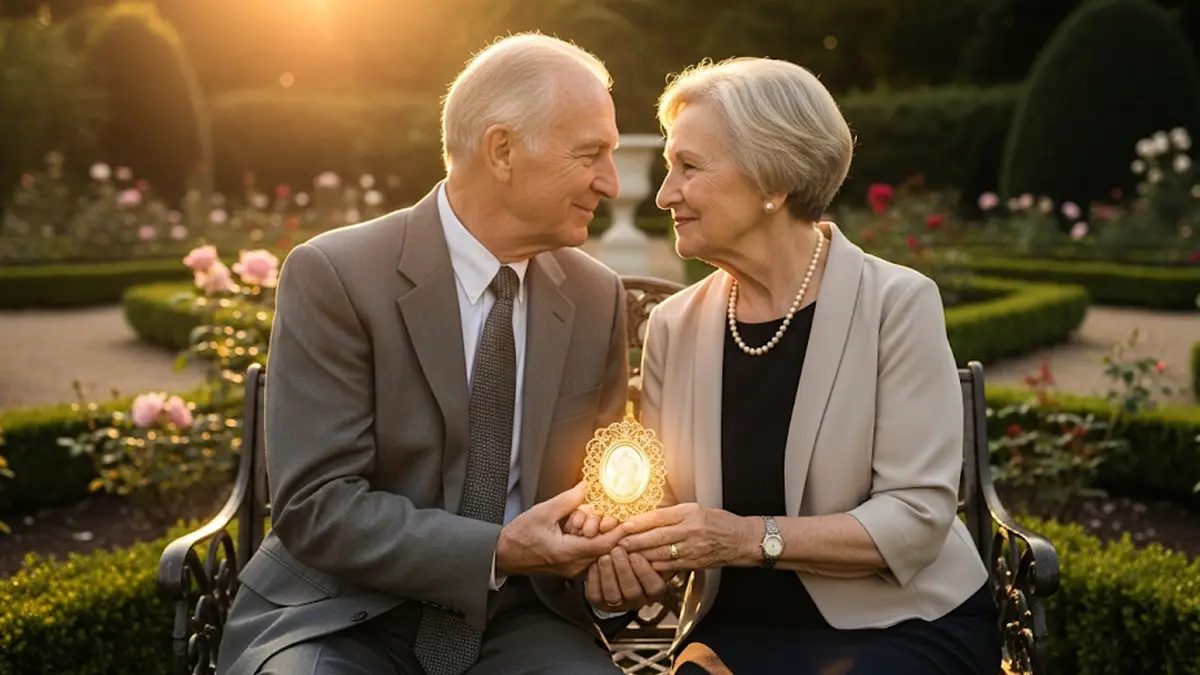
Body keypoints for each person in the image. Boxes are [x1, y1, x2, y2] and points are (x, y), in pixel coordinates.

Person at [214, 33, 668, 675]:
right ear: (503, 150)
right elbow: (316, 505)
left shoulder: (594, 297)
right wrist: (499, 547)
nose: (611, 181)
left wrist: (612, 560)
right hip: (341, 612)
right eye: (590, 153)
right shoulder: (337, 274)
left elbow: (598, 493)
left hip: (518, 619)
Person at [577, 57, 1003, 674]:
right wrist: (623, 557)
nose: (666, 194)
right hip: (739, 629)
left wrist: (748, 539)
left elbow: (915, 518)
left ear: (773, 182)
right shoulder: (674, 325)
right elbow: (663, 503)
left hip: (902, 623)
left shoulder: (896, 304)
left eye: (688, 168)